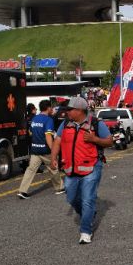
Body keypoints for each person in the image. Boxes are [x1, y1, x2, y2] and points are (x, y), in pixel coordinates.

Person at [49, 96, 112, 244]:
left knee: (88, 199)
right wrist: (53, 158)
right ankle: (88, 214)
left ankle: (85, 231)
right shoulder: (65, 124)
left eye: (70, 110)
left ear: (79, 110)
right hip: (71, 169)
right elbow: (57, 141)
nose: (67, 112)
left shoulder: (96, 124)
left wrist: (95, 139)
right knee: (71, 198)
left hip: (92, 167)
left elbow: (109, 141)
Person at [18, 100, 64, 199]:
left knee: (30, 170)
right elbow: (48, 136)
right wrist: (53, 151)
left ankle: (22, 190)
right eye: (51, 107)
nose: (52, 109)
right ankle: (59, 188)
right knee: (53, 167)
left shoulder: (35, 119)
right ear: (48, 108)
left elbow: (30, 132)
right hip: (45, 150)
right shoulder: (48, 120)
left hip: (35, 149)